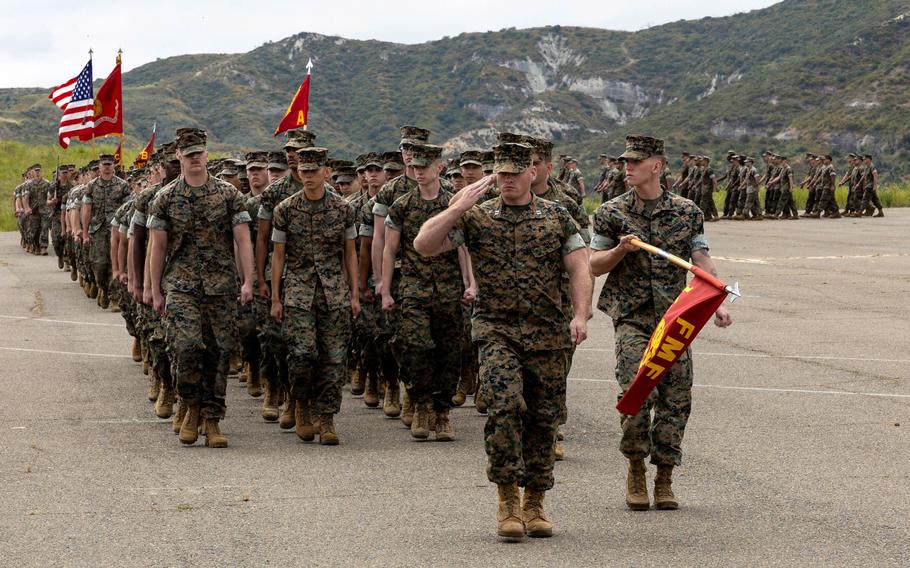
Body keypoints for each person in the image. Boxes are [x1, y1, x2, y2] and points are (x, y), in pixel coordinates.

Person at [413, 142, 592, 540]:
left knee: (543, 418)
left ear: (533, 172)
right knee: (505, 407)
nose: (508, 180)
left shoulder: (556, 216)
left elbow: (580, 267)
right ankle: (508, 496)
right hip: (496, 330)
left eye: (515, 173)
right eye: (502, 174)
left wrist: (580, 314)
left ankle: (535, 501)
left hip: (548, 333)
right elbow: (423, 245)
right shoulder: (477, 217)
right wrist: (457, 207)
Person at [589, 135, 732, 512]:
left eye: (635, 161)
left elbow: (700, 259)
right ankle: (635, 468)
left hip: (675, 319)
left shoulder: (687, 211)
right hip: (632, 317)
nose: (627, 167)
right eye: (625, 161)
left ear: (657, 165)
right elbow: (593, 264)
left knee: (676, 399)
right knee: (637, 395)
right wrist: (620, 249)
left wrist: (718, 299)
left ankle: (664, 477)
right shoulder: (611, 212)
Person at [147, 127, 255, 448]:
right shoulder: (165, 198)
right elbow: (158, 248)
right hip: (181, 287)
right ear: (178, 156)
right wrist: (154, 290)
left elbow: (242, 240)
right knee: (187, 348)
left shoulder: (228, 194)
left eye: (200, 152)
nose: (195, 158)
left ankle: (212, 419)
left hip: (221, 287)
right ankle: (190, 405)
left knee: (219, 353)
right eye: (189, 153)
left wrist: (247, 279)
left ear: (207, 154)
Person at [381, 143, 474, 441]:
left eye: (425, 166)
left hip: (449, 290)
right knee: (416, 348)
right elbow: (389, 249)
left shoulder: (454, 203)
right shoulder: (402, 205)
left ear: (440, 167)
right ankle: (420, 404)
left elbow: (463, 247)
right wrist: (385, 289)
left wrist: (469, 283)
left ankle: (442, 412)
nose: (418, 172)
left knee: (449, 351)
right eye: (415, 167)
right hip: (414, 289)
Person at [269, 147, 360, 445]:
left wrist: (354, 294)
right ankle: (303, 406)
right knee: (301, 355)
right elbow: (278, 256)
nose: (307, 176)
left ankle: (327, 417)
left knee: (334, 359)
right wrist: (275, 298)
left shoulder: (343, 209)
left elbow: (350, 253)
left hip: (334, 293)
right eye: (303, 171)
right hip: (298, 293)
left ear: (326, 172)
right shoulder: (285, 209)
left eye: (313, 171)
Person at [82, 154, 130, 309]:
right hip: (97, 229)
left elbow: (127, 209)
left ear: (113, 166)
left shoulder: (122, 185)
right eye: (104, 164)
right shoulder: (92, 186)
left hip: (115, 229)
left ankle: (114, 298)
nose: (107, 167)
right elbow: (87, 209)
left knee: (115, 263)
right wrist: (84, 232)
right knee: (99, 264)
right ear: (100, 166)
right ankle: (102, 287)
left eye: (110, 164)